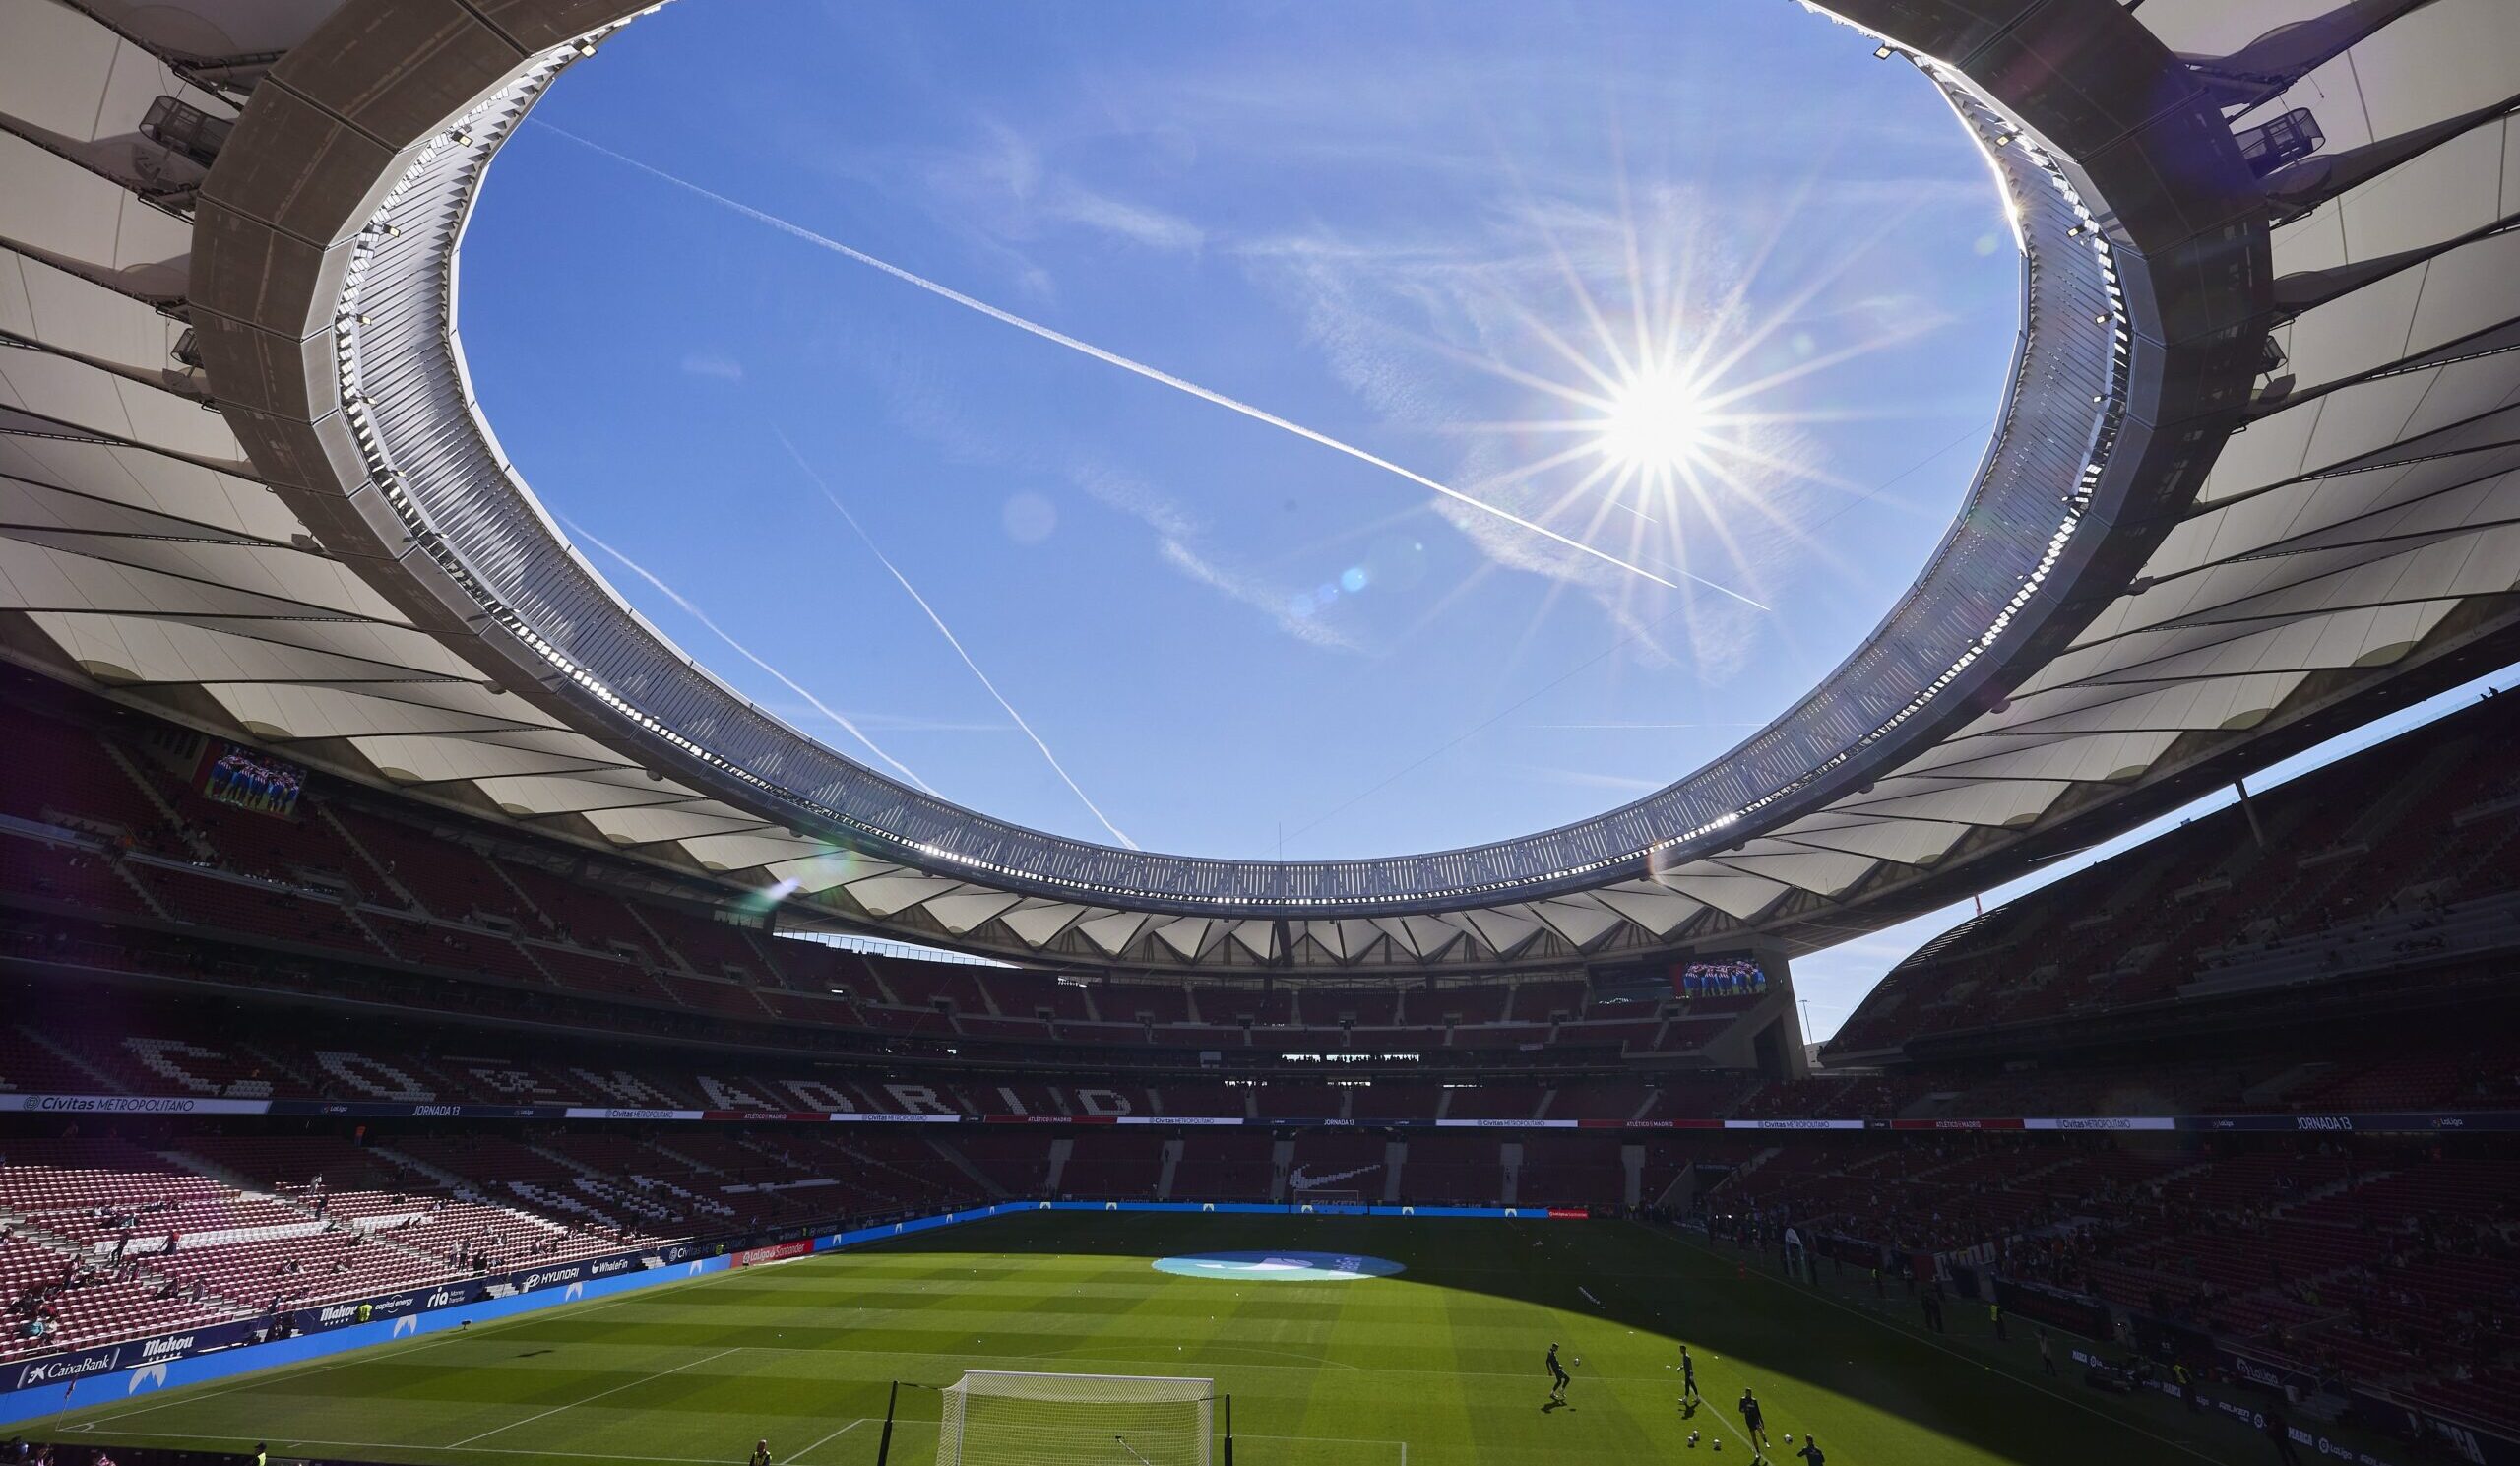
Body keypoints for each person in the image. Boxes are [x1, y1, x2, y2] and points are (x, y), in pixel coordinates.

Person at [1738, 1388, 1770, 1454]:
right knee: (1753, 1435)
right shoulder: (1742, 1400)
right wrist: (1745, 1409)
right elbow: (1740, 1410)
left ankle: (1766, 1442)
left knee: (1760, 1429)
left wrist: (1761, 1420)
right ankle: (1757, 1451)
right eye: (1747, 1393)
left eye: (1749, 1393)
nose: (1748, 1394)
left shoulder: (1754, 1400)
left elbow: (1758, 1411)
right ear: (1745, 1393)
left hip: (1755, 1419)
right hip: (1749, 1420)